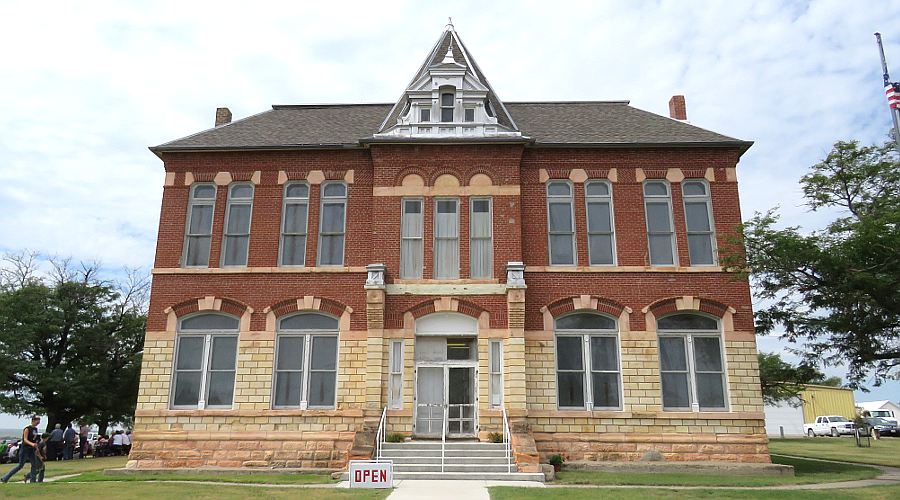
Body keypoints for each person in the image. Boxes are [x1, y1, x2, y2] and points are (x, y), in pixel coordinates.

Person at [1, 416, 41, 484]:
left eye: (39, 421)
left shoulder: (35, 429)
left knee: (34, 465)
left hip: (32, 449)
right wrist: (32, 444)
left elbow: (35, 440)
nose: (38, 422)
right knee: (20, 465)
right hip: (25, 449)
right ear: (33, 420)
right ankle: (5, 478)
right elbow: (25, 440)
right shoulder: (27, 429)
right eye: (37, 420)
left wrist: (36, 448)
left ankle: (33, 480)